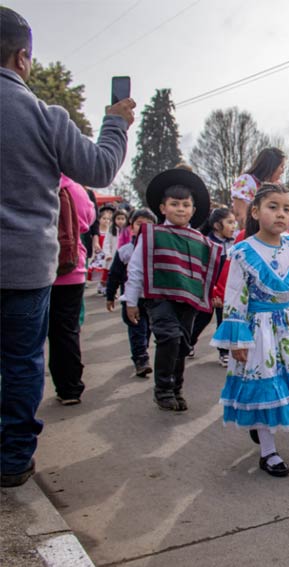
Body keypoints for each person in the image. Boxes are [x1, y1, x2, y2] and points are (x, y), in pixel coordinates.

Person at [0, 7, 134, 488]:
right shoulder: (42, 116)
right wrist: (115, 123)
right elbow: (99, 169)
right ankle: (13, 458)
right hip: (24, 266)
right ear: (22, 58)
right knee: (21, 361)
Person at [211, 183, 289, 477]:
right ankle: (268, 450)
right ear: (256, 212)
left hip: (287, 328)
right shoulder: (244, 252)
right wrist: (237, 338)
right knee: (265, 381)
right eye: (273, 207)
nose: (281, 214)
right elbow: (235, 294)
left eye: (287, 209)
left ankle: (265, 433)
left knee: (283, 381)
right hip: (258, 329)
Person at [124, 168, 223, 411]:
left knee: (182, 344)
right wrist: (131, 301)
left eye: (186, 205)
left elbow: (207, 273)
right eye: (175, 204)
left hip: (187, 301)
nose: (180, 209)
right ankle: (163, 390)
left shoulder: (200, 241)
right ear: (163, 208)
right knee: (169, 337)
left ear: (193, 209)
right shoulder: (152, 235)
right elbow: (136, 268)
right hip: (159, 298)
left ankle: (176, 388)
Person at [48, 175, 96, 406]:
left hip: (34, 268)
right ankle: (70, 388)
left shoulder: (33, 178)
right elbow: (87, 222)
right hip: (71, 268)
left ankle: (19, 397)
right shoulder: (76, 188)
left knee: (26, 336)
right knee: (66, 331)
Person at [106, 209, 157, 377]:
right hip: (131, 299)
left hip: (151, 298)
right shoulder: (125, 251)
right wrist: (110, 295)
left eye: (149, 225)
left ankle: (141, 353)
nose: (143, 228)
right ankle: (141, 359)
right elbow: (114, 275)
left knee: (147, 329)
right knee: (137, 329)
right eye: (139, 224)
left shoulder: (157, 250)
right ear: (131, 227)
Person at [189, 208, 236, 366]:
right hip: (208, 288)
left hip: (228, 289)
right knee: (203, 318)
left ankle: (224, 351)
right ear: (217, 225)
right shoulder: (206, 243)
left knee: (224, 319)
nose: (233, 226)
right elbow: (202, 270)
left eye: (234, 222)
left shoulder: (234, 243)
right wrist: (213, 291)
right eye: (229, 222)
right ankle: (188, 342)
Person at [231, 147, 286, 228]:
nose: (283, 171)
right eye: (281, 166)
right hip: (252, 231)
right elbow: (241, 216)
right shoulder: (246, 181)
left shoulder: (277, 186)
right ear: (271, 166)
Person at [86, 203, 117, 292]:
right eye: (104, 218)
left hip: (108, 254)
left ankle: (104, 286)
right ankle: (102, 286)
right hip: (99, 254)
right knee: (101, 271)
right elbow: (94, 241)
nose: (106, 221)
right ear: (99, 219)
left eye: (108, 219)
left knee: (107, 270)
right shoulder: (97, 231)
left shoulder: (111, 231)